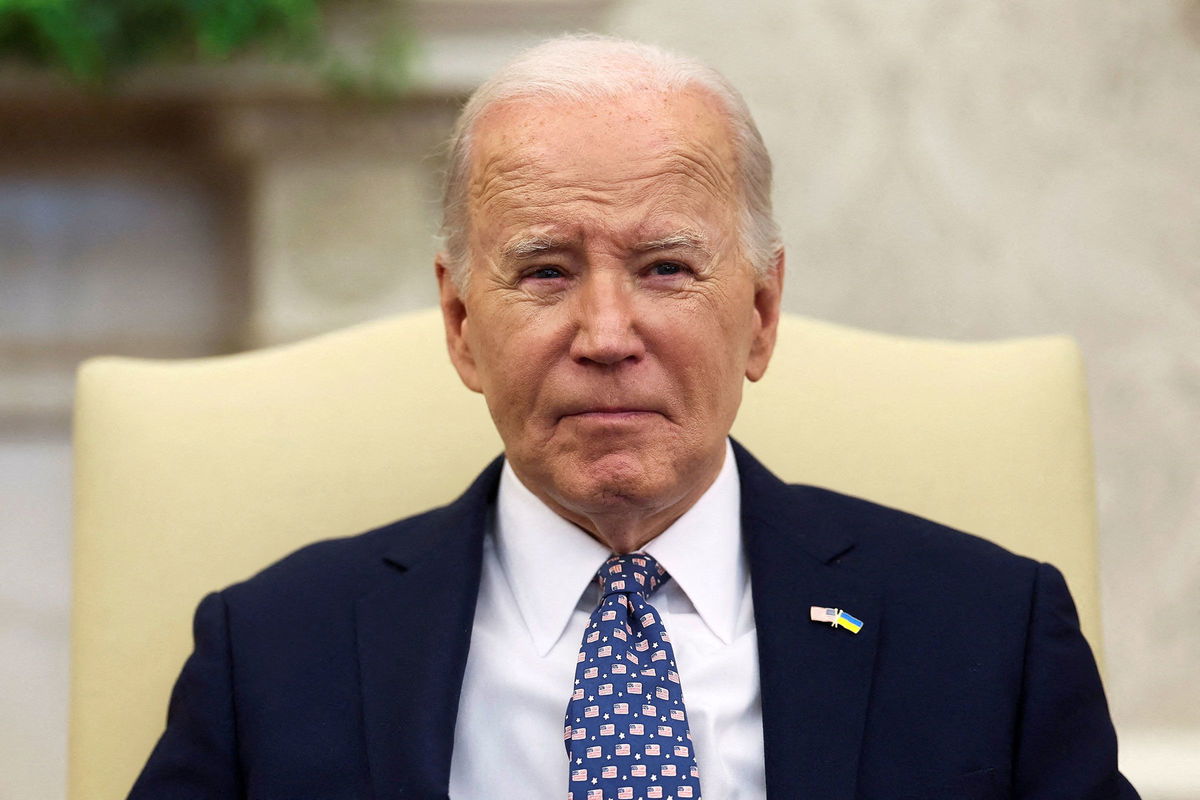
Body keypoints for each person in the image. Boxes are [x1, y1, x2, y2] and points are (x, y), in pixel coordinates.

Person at [129, 35, 1138, 799]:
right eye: (545, 269)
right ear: (459, 322)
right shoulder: (269, 650)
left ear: (762, 312)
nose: (606, 333)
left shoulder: (987, 634)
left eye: (664, 267)